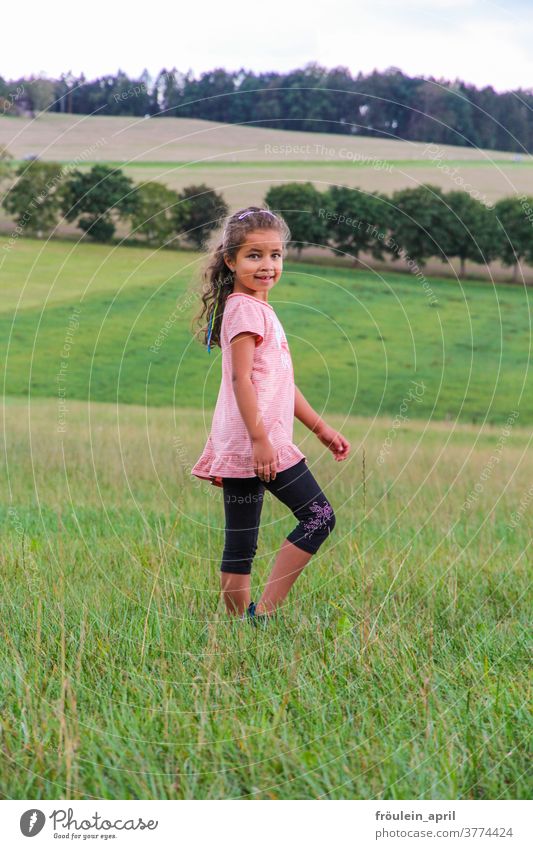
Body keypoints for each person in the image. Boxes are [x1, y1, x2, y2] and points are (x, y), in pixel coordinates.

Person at [191, 206, 351, 624]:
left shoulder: (257, 309)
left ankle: (239, 624)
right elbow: (242, 380)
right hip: (258, 441)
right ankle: (261, 614)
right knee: (319, 517)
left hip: (253, 439)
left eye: (275, 255)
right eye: (254, 255)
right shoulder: (245, 310)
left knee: (241, 541)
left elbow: (277, 382)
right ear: (231, 260)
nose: (267, 265)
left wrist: (320, 428)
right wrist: (262, 440)